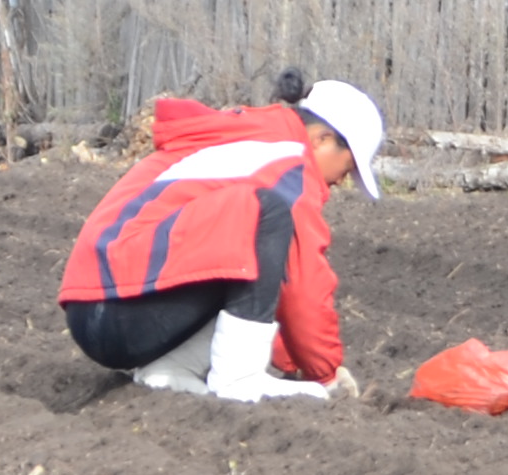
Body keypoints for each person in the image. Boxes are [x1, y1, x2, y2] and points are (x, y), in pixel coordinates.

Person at [62, 72, 386, 403]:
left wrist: (294, 362)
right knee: (267, 214)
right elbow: (303, 285)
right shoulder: (290, 165)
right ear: (321, 139)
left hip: (93, 308)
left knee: (250, 234)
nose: (341, 182)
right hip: (119, 309)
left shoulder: (250, 138)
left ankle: (171, 370)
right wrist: (325, 374)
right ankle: (238, 379)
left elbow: (269, 284)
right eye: (346, 169)